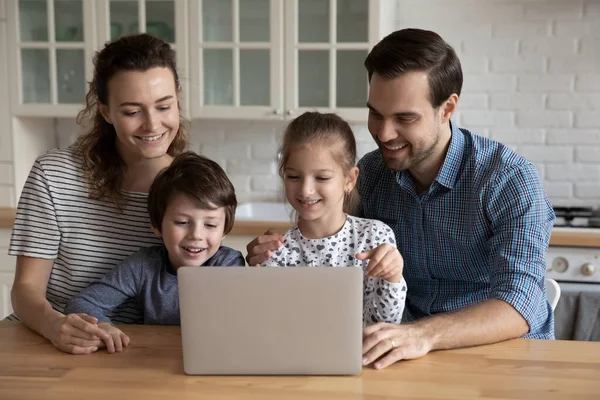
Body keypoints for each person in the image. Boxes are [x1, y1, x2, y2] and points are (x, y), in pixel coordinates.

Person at [246, 28, 555, 369]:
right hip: (401, 353)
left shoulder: (507, 179)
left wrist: (424, 334)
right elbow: (333, 252)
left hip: (498, 356)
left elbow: (522, 302)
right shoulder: (374, 172)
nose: (384, 133)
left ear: (447, 108)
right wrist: (273, 256)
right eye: (376, 113)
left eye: (404, 118)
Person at [8, 33, 190, 355]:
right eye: (132, 112)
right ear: (106, 112)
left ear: (177, 98)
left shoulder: (191, 184)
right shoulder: (54, 174)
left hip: (136, 350)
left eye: (164, 106)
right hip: (49, 342)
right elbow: (26, 289)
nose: (152, 124)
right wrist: (55, 326)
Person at [65, 152, 245, 352]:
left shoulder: (229, 264)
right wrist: (103, 326)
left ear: (225, 231)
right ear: (157, 226)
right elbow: (82, 302)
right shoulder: (143, 265)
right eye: (182, 222)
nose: (196, 235)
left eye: (210, 224)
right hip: (153, 357)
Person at [259, 111, 407, 327]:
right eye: (293, 176)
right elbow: (273, 327)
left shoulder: (375, 237)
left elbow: (384, 325)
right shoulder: (277, 251)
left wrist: (393, 277)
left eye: (322, 177)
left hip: (362, 359)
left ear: (349, 179)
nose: (306, 190)